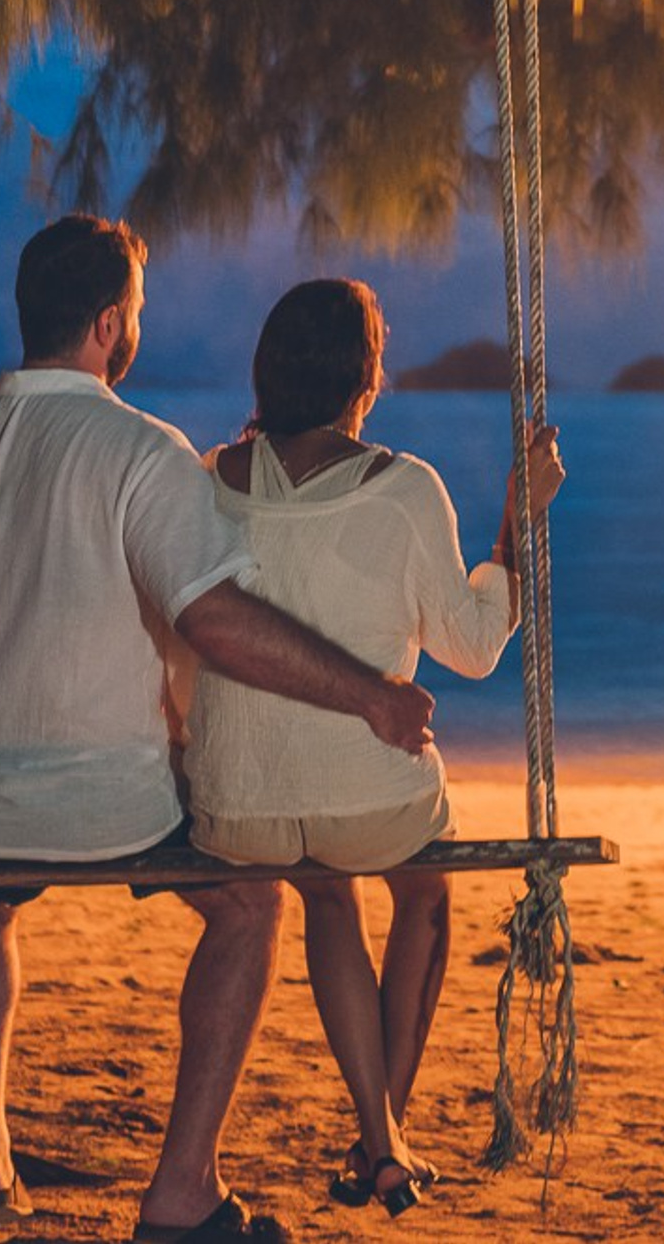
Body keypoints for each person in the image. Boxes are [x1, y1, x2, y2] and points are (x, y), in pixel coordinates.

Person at [0, 216, 440, 1244]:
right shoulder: (140, 449)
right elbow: (219, 624)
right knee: (247, 903)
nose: (135, 328)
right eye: (135, 313)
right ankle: (183, 1187)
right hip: (98, 798)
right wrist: (368, 693)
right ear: (111, 324)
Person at [181, 280, 564, 1217]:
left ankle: (382, 1139)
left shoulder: (208, 479)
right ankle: (381, 1129)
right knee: (419, 892)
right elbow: (473, 649)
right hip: (361, 797)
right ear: (366, 376)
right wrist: (523, 516)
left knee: (325, 881)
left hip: (238, 802)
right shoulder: (403, 488)